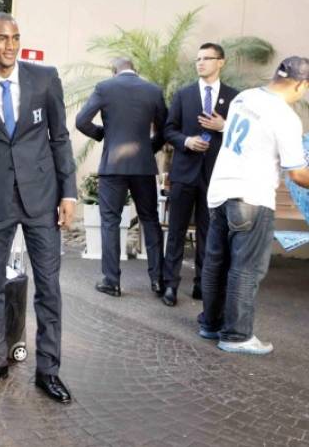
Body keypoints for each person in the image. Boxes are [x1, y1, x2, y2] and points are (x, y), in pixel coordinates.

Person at [0, 13, 77, 404]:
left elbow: (59, 137)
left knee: (49, 287)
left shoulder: (44, 78)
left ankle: (48, 370)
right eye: (1, 39)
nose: (9, 46)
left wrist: (69, 193)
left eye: (15, 38)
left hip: (42, 198)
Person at [199, 56, 309, 354]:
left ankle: (210, 324)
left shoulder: (243, 98)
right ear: (300, 84)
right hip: (252, 198)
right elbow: (297, 173)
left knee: (216, 263)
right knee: (246, 268)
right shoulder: (286, 117)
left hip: (220, 191)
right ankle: (236, 335)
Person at [76, 57, 167, 297]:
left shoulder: (105, 87)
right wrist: (149, 149)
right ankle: (158, 280)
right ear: (135, 70)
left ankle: (111, 281)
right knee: (150, 220)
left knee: (110, 222)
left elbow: (81, 121)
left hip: (113, 167)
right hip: (143, 167)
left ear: (114, 71)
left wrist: (103, 135)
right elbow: (164, 130)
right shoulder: (153, 90)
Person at [161, 43, 238, 307]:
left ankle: (202, 285)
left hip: (216, 175)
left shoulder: (234, 97)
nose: (201, 63)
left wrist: (224, 126)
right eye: (198, 58)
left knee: (209, 233)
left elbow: (242, 134)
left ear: (221, 62)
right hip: (184, 173)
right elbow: (168, 130)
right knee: (176, 232)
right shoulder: (184, 95)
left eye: (207, 58)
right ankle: (169, 285)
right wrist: (186, 141)